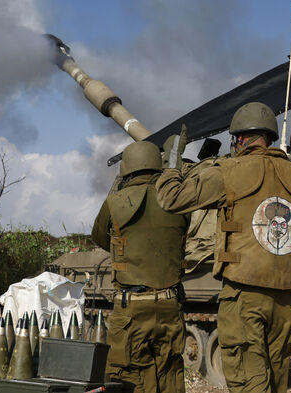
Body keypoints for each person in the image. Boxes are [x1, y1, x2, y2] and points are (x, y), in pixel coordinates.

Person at [154, 102, 291, 393]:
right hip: (287, 300)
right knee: (275, 384)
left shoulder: (230, 171)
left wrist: (173, 160)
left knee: (249, 384)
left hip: (244, 296)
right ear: (269, 138)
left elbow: (171, 198)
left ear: (240, 139)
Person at [92, 141, 190, 393]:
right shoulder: (176, 199)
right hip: (170, 304)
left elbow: (100, 238)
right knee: (170, 373)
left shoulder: (114, 202)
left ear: (126, 170)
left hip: (131, 307)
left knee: (126, 376)